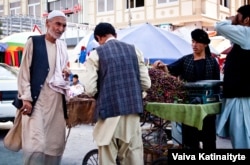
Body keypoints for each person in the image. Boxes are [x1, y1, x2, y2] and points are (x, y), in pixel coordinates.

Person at [81, 22, 151, 165]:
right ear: (115, 35)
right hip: (132, 112)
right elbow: (146, 84)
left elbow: (90, 88)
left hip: (108, 114)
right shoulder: (134, 51)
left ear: (98, 38)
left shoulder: (96, 55)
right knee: (133, 158)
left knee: (107, 159)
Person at [17, 10, 70, 164]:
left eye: (64, 26)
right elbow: (24, 71)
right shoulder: (34, 42)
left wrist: (65, 73)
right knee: (36, 144)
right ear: (48, 24)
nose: (60, 28)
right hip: (36, 100)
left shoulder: (63, 46)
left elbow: (62, 70)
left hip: (56, 102)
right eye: (57, 24)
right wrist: (26, 98)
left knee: (55, 144)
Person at [153, 28, 220, 149]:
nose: (194, 45)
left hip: (207, 108)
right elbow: (170, 70)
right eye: (193, 41)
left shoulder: (212, 62)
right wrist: (162, 66)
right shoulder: (186, 60)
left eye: (197, 42)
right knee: (190, 142)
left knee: (208, 141)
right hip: (189, 106)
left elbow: (216, 85)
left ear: (205, 44)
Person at [215, 4, 250, 149]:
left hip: (242, 97)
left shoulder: (246, 33)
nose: (235, 17)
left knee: (242, 139)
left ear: (247, 19)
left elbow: (219, 26)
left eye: (238, 15)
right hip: (242, 95)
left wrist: (232, 20)